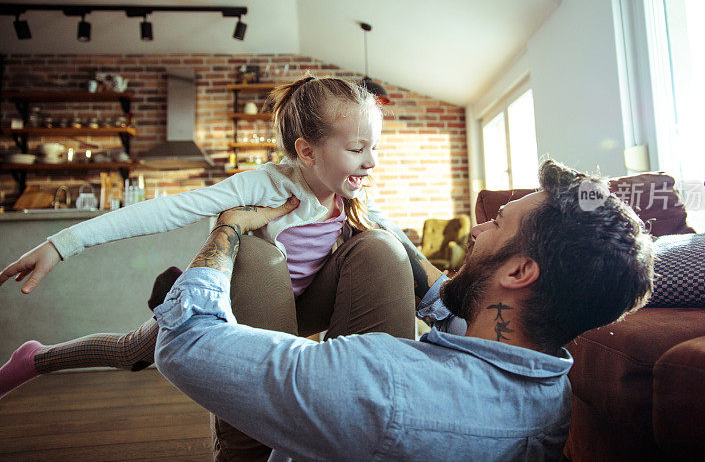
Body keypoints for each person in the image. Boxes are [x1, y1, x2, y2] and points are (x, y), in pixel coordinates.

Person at [0, 75, 427, 458]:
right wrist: (62, 244)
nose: (371, 162)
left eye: (375, 148)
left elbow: (406, 249)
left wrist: (450, 297)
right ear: (307, 151)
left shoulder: (352, 194)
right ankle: (36, 358)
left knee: (381, 245)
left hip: (302, 309)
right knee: (130, 350)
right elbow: (169, 210)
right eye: (357, 149)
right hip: (236, 309)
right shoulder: (264, 184)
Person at [153, 159, 655, 461]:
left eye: (496, 224)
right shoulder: (548, 388)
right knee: (379, 250)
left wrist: (228, 228)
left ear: (520, 273)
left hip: (324, 417)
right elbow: (452, 307)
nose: (476, 231)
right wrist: (367, 214)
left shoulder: (382, 384)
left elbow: (186, 344)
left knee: (253, 258)